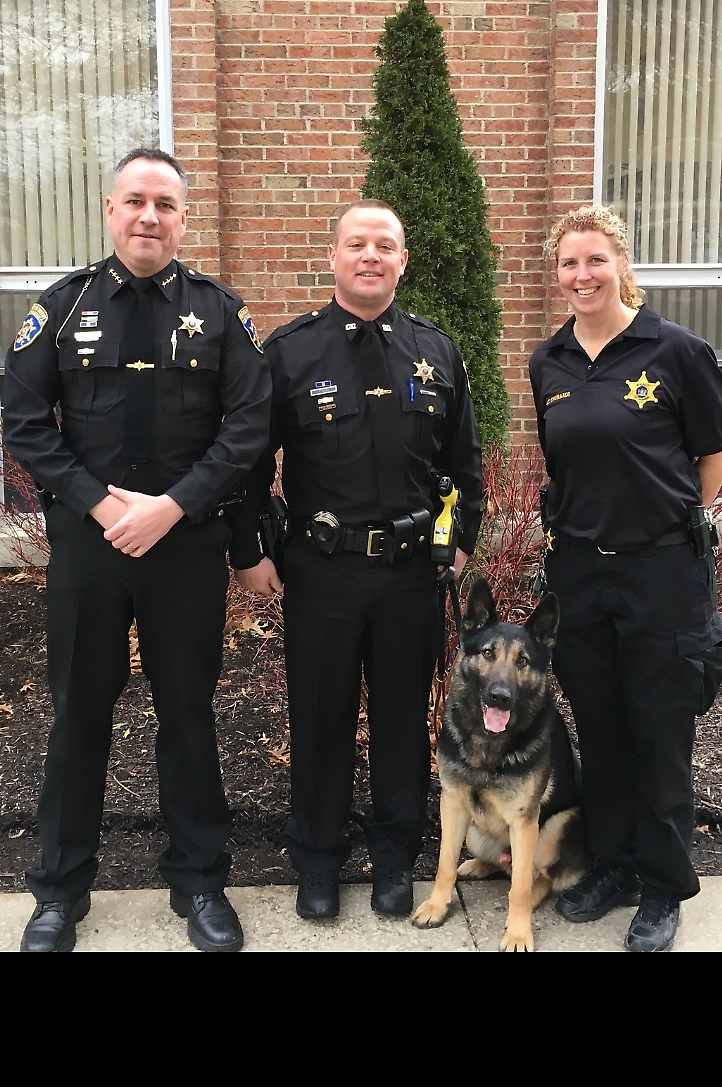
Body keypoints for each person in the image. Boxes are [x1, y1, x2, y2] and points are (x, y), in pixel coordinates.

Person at [2, 147, 272, 953]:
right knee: (79, 716)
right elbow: (22, 422)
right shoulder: (63, 306)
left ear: (185, 218)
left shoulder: (220, 312)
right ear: (110, 210)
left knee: (188, 716)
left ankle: (200, 883)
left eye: (165, 203)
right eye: (135, 201)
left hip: (186, 547)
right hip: (90, 549)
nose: (149, 216)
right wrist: (96, 501)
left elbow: (249, 427)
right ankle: (58, 891)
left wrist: (175, 506)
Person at [233, 199, 483, 921]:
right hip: (324, 568)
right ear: (334, 256)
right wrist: (249, 551)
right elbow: (252, 465)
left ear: (402, 260)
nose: (370, 255)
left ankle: (395, 858)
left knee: (405, 719)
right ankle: (317, 859)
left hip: (411, 572)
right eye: (356, 244)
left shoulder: (437, 352)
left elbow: (466, 465)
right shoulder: (290, 352)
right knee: (320, 716)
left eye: (384, 245)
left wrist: (459, 542)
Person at [529, 204, 722, 953]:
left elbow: (715, 454)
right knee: (604, 729)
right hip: (581, 575)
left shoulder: (676, 350)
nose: (582, 276)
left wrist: (677, 516)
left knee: (659, 734)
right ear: (557, 275)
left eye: (594, 260)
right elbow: (565, 465)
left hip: (661, 574)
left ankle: (663, 888)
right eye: (569, 264)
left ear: (621, 263)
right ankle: (613, 865)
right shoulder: (548, 361)